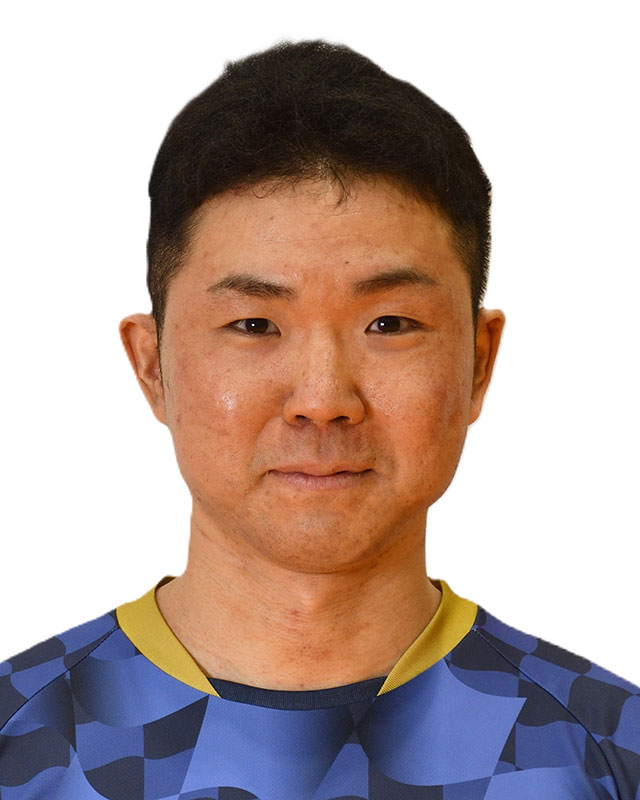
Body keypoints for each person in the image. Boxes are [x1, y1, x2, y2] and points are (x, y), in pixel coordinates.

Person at [1, 39, 638, 800]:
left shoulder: (611, 754)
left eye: (389, 324)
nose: (322, 397)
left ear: (479, 361)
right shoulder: (19, 743)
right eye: (254, 325)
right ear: (152, 366)